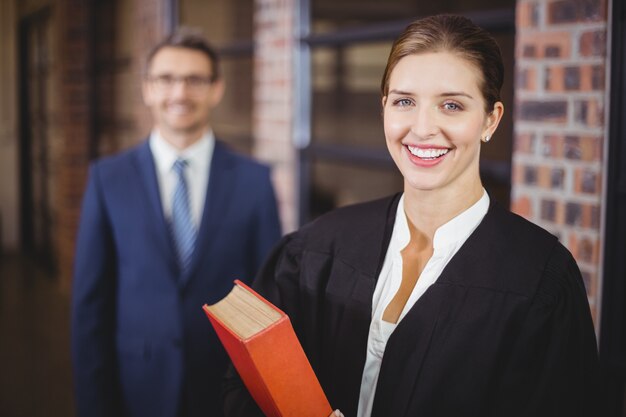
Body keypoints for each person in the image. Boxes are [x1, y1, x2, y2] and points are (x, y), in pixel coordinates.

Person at [222, 14, 600, 417]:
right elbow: (243, 390)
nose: (422, 129)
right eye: (404, 101)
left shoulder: (539, 280)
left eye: (451, 105)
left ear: (491, 120)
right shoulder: (318, 247)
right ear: (384, 107)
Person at [71, 28, 282, 417]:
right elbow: (90, 307)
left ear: (215, 89)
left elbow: (266, 298)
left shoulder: (254, 181)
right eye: (166, 79)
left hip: (226, 390)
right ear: (148, 89)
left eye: (194, 80)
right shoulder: (108, 179)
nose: (179, 93)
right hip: (134, 386)